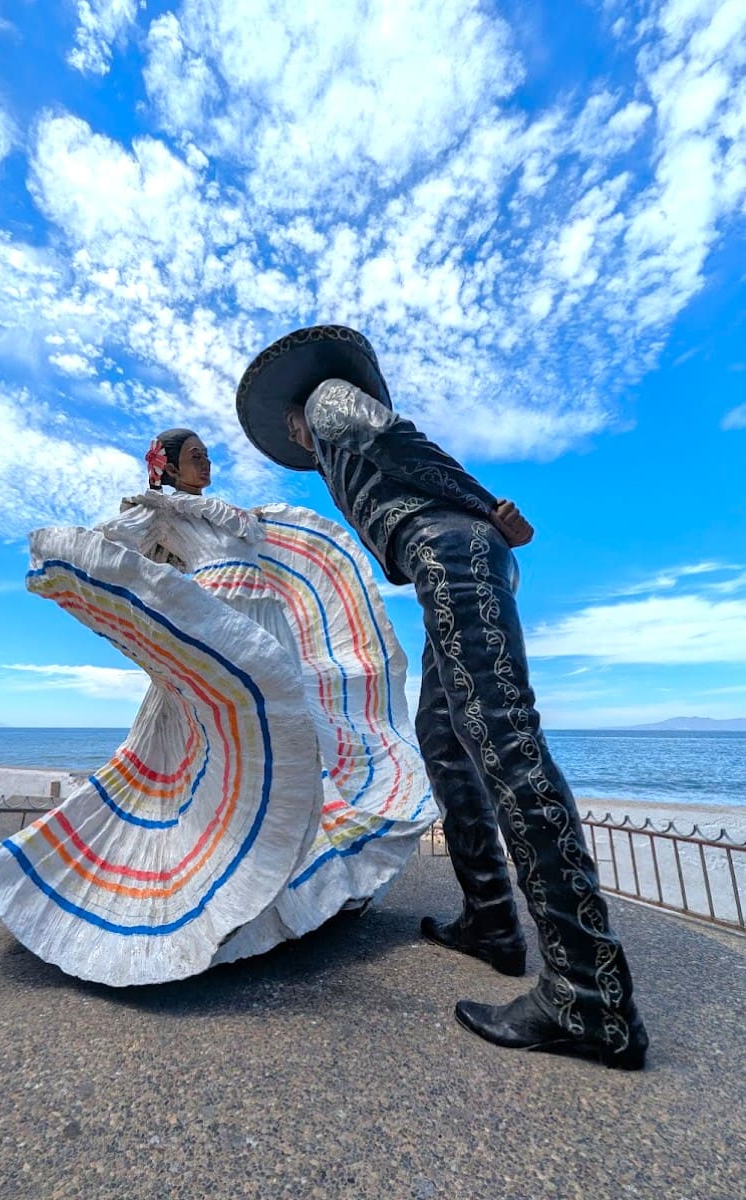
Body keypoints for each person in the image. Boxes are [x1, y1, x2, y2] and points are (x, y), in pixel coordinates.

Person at [236, 325, 649, 1069]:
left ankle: (590, 997)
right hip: (443, 561)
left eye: (290, 419)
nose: (296, 432)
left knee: (504, 742)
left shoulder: (333, 401)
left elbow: (396, 440)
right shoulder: (330, 447)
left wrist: (490, 509)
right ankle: (492, 921)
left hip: (451, 550)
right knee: (445, 739)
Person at [0, 426, 437, 984]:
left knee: (299, 756)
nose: (205, 465)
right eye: (194, 457)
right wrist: (142, 555)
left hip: (266, 628)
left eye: (208, 456)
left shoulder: (228, 513)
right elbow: (109, 539)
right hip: (219, 634)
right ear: (167, 466)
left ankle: (310, 892)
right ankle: (232, 904)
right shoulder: (161, 510)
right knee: (242, 761)